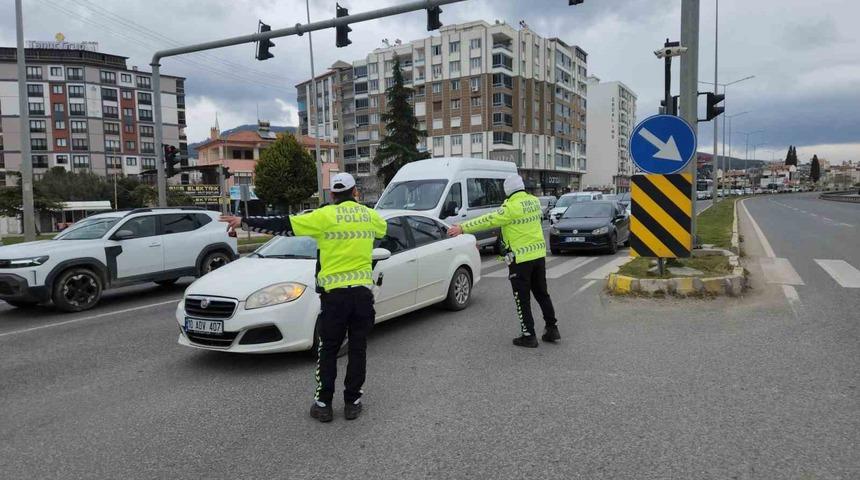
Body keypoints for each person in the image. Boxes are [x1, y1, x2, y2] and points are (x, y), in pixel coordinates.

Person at [219, 173, 387, 422]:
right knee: (358, 349)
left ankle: (323, 405)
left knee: (328, 350)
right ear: (355, 193)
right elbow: (383, 230)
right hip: (362, 295)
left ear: (332, 195)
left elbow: (283, 224)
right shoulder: (371, 216)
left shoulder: (323, 216)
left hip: (335, 297)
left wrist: (244, 221)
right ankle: (353, 403)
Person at [447, 175, 559, 348]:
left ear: (507, 191)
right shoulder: (534, 202)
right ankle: (552, 328)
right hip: (538, 256)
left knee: (522, 299)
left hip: (520, 260)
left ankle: (528, 335)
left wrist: (462, 227)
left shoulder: (510, 207)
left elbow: (487, 219)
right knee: (542, 294)